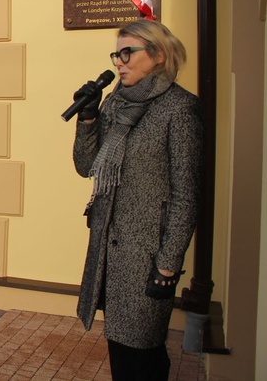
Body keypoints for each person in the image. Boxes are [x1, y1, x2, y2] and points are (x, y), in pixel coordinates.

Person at [72, 20, 204, 380]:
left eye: (128, 52)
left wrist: (167, 266)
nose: (119, 61)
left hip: (146, 257)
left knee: (143, 354)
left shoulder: (179, 109)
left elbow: (185, 197)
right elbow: (87, 167)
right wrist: (88, 117)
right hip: (109, 250)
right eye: (118, 53)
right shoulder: (115, 102)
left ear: (158, 55)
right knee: (121, 349)